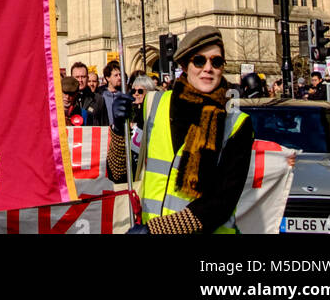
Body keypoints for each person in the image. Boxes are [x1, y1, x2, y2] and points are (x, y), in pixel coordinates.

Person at [106, 25, 254, 235]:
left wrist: (156, 230)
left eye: (216, 61)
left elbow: (220, 203)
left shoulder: (237, 123)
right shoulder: (153, 104)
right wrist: (118, 130)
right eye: (199, 60)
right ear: (185, 64)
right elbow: (120, 173)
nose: (208, 68)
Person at [91, 61, 123, 126]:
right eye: (116, 75)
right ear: (108, 78)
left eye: (120, 75)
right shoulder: (100, 95)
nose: (119, 78)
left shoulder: (124, 94)